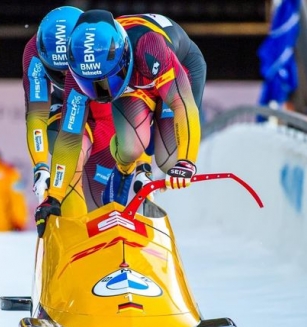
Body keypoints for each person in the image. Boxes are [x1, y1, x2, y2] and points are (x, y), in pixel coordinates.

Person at [35, 11, 206, 236]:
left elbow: (182, 104)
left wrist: (186, 162)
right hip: (132, 82)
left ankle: (146, 167)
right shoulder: (76, 77)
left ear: (123, 55)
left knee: (169, 160)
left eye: (105, 80)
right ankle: (126, 170)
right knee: (129, 148)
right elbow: (69, 139)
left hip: (174, 68)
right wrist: (53, 196)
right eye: (91, 84)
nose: (101, 91)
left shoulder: (149, 46)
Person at [23, 6, 117, 218]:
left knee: (100, 185)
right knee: (63, 151)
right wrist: (40, 167)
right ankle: (72, 228)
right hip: (61, 103)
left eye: (68, 65)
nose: (64, 73)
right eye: (58, 69)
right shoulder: (34, 56)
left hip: (98, 108)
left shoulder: (100, 47)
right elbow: (37, 115)